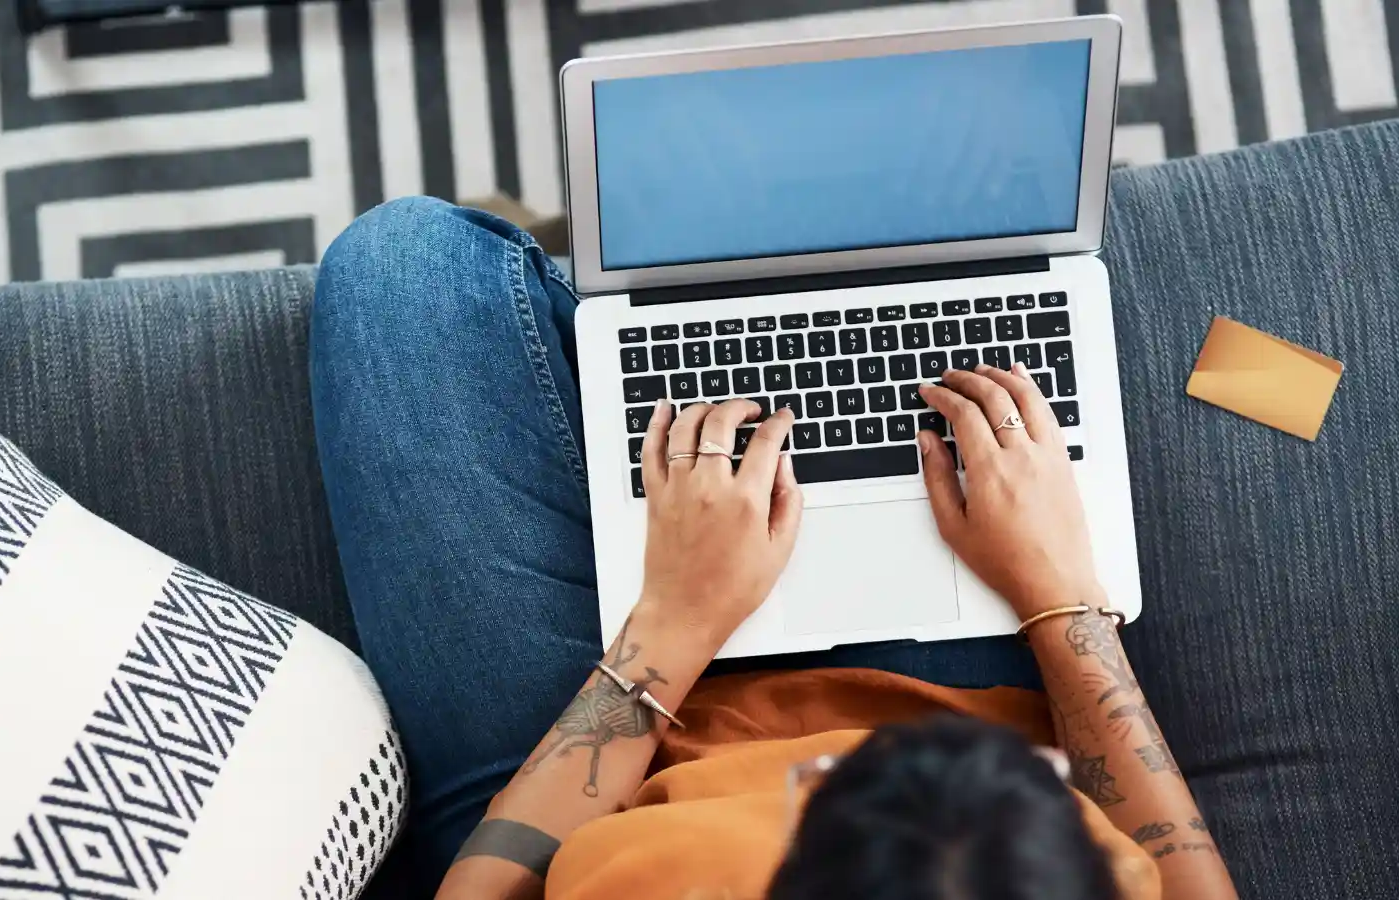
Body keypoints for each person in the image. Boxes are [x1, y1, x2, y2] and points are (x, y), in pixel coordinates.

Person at [311, 197, 1238, 900]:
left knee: (403, 262)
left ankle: (562, 266)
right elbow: (1179, 869)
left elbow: (485, 884)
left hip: (620, 743)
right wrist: (1062, 602)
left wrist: (672, 627)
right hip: (980, 679)